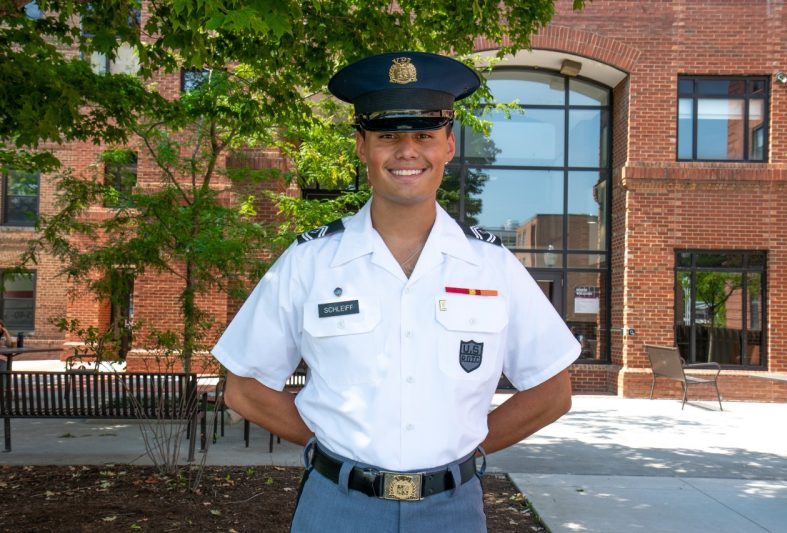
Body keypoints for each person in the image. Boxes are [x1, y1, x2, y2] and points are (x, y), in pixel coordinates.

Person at [212, 51, 580, 532]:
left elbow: (553, 392)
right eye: (388, 135)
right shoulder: (310, 261)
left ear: (449, 145)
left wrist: (460, 449)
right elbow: (244, 388)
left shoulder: (492, 266)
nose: (407, 152)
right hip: (337, 508)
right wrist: (334, 447)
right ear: (362, 145)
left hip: (452, 510)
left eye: (424, 135)